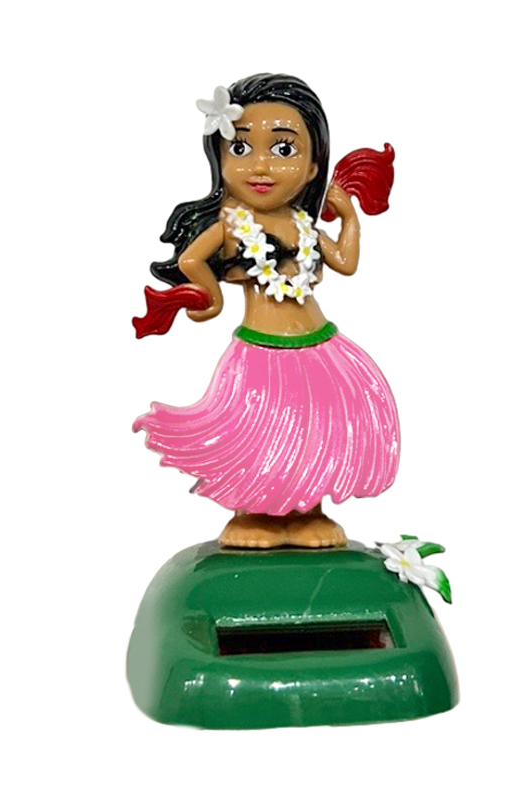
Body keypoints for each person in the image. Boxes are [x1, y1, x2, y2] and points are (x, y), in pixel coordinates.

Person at [133, 73, 399, 549]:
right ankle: (253, 511)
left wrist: (349, 216)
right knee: (261, 432)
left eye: (282, 149)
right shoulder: (232, 225)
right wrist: (211, 296)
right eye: (240, 148)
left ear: (313, 167)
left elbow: (345, 261)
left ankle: (308, 510)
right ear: (218, 159)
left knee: (316, 430)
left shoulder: (302, 223)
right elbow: (191, 259)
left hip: (320, 345)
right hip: (262, 350)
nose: (260, 165)